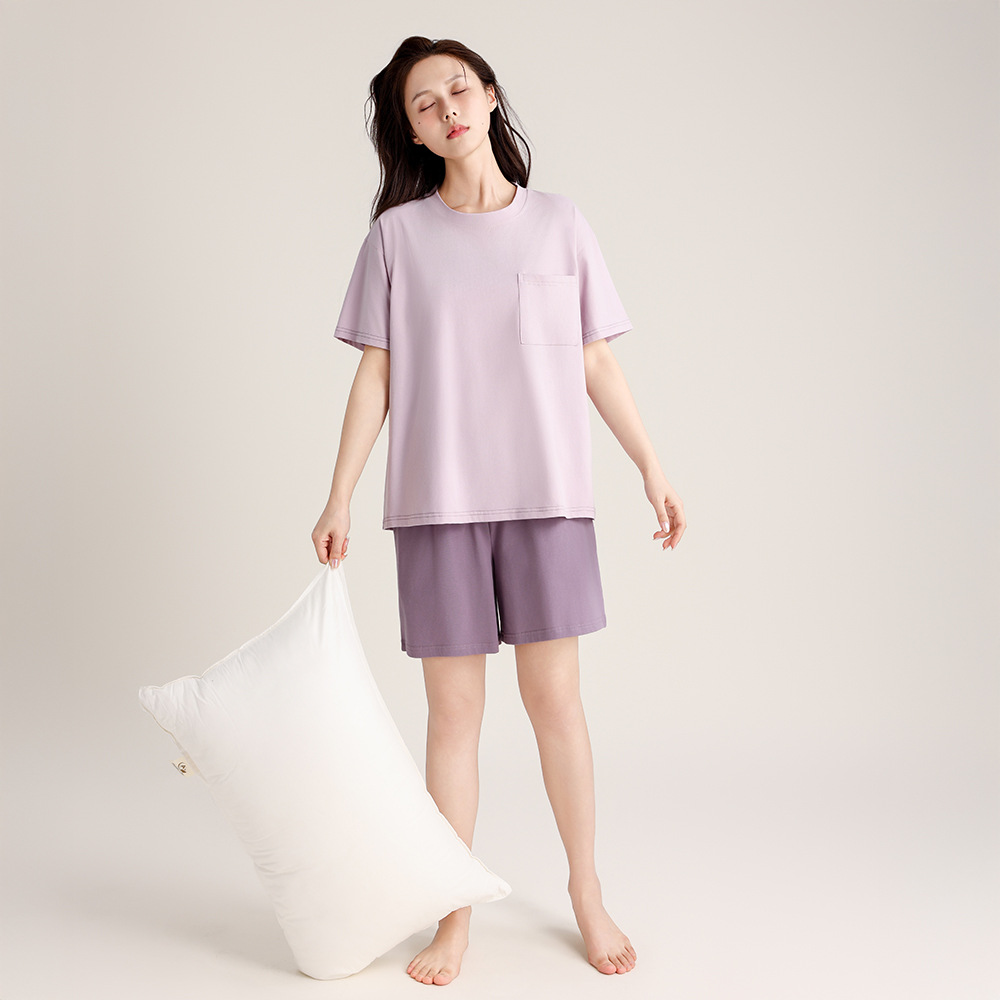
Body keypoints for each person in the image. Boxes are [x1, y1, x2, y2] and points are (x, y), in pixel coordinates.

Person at [312, 36, 685, 988]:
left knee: (557, 704)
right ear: (413, 131)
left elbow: (596, 359)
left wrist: (651, 467)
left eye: (459, 89)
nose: (447, 109)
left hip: (548, 500)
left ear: (487, 96)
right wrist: (340, 492)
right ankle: (455, 918)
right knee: (453, 719)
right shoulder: (397, 238)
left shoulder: (560, 223)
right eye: (424, 104)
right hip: (436, 504)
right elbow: (375, 375)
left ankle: (587, 893)